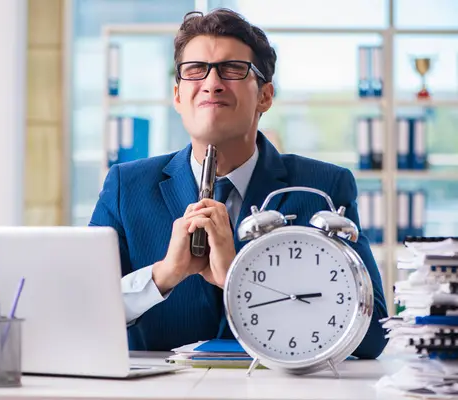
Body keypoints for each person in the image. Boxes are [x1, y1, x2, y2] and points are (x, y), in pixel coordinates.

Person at [89, 8, 388, 359]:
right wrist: (162, 276)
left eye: (232, 70)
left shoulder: (324, 187)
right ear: (178, 96)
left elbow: (372, 335)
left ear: (265, 96)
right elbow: (79, 312)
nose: (211, 83)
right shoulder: (127, 185)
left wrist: (241, 277)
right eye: (195, 70)